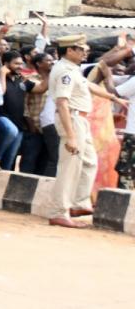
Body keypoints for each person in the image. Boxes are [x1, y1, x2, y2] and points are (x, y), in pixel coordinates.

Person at [46, 35, 127, 228]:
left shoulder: (72, 69)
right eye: (81, 49)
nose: (85, 52)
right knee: (70, 167)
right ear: (70, 50)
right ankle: (59, 211)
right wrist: (71, 136)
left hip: (80, 120)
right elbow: (62, 103)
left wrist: (113, 98)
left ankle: (77, 203)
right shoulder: (64, 71)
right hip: (72, 119)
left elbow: (87, 85)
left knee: (89, 162)